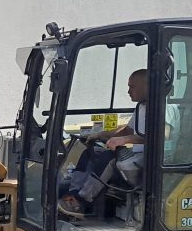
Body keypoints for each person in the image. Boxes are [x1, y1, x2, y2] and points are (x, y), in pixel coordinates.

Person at [58, 68, 149, 219]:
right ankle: (73, 195)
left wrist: (123, 140)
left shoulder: (163, 107)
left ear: (147, 86)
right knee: (91, 152)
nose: (128, 91)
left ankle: (81, 202)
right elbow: (127, 130)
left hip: (150, 160)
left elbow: (162, 134)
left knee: (109, 158)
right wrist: (100, 135)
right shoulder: (142, 107)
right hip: (135, 156)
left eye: (132, 86)